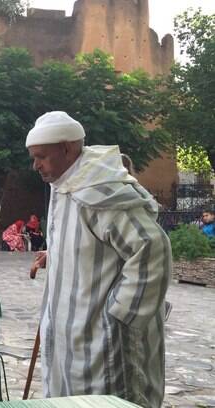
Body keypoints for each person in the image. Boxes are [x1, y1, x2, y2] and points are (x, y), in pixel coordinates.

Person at [27, 111, 171, 408]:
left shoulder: (100, 188)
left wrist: (120, 316)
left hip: (103, 339)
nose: (35, 165)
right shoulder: (66, 182)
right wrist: (57, 255)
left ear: (66, 148)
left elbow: (150, 247)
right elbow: (88, 240)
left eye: (41, 156)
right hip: (70, 333)